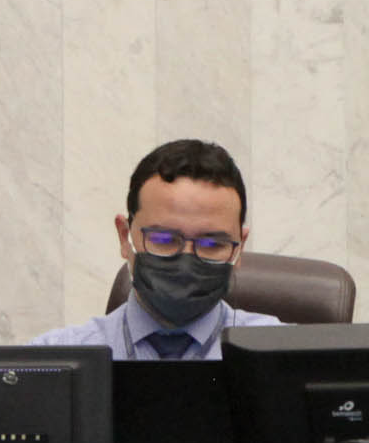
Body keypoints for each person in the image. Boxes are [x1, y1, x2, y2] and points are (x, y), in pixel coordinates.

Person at [31, 139, 280, 360]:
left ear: (240, 247)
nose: (186, 263)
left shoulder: (282, 355)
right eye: (164, 239)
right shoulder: (53, 361)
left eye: (212, 244)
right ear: (124, 236)